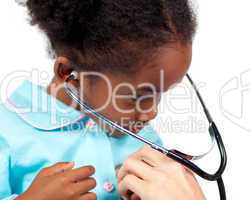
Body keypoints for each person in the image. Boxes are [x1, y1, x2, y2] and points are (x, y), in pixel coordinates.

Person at [0, 0, 204, 199]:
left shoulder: (144, 138)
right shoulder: (6, 130)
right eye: (137, 97)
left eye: (161, 94)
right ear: (69, 73)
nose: (152, 113)